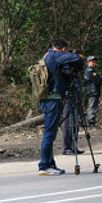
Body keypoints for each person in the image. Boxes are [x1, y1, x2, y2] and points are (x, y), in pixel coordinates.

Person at [38, 39, 82, 176]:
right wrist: (73, 54)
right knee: (49, 133)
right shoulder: (54, 55)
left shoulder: (47, 56)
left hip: (49, 99)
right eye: (65, 51)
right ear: (62, 49)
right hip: (52, 99)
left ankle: (50, 164)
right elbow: (76, 58)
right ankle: (44, 165)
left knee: (50, 133)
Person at [83, 55, 102, 128]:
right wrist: (99, 78)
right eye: (92, 62)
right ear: (88, 62)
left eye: (95, 62)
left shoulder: (94, 71)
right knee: (92, 107)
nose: (94, 63)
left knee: (94, 107)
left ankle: (92, 122)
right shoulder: (88, 71)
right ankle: (91, 123)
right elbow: (95, 80)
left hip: (95, 91)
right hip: (92, 91)